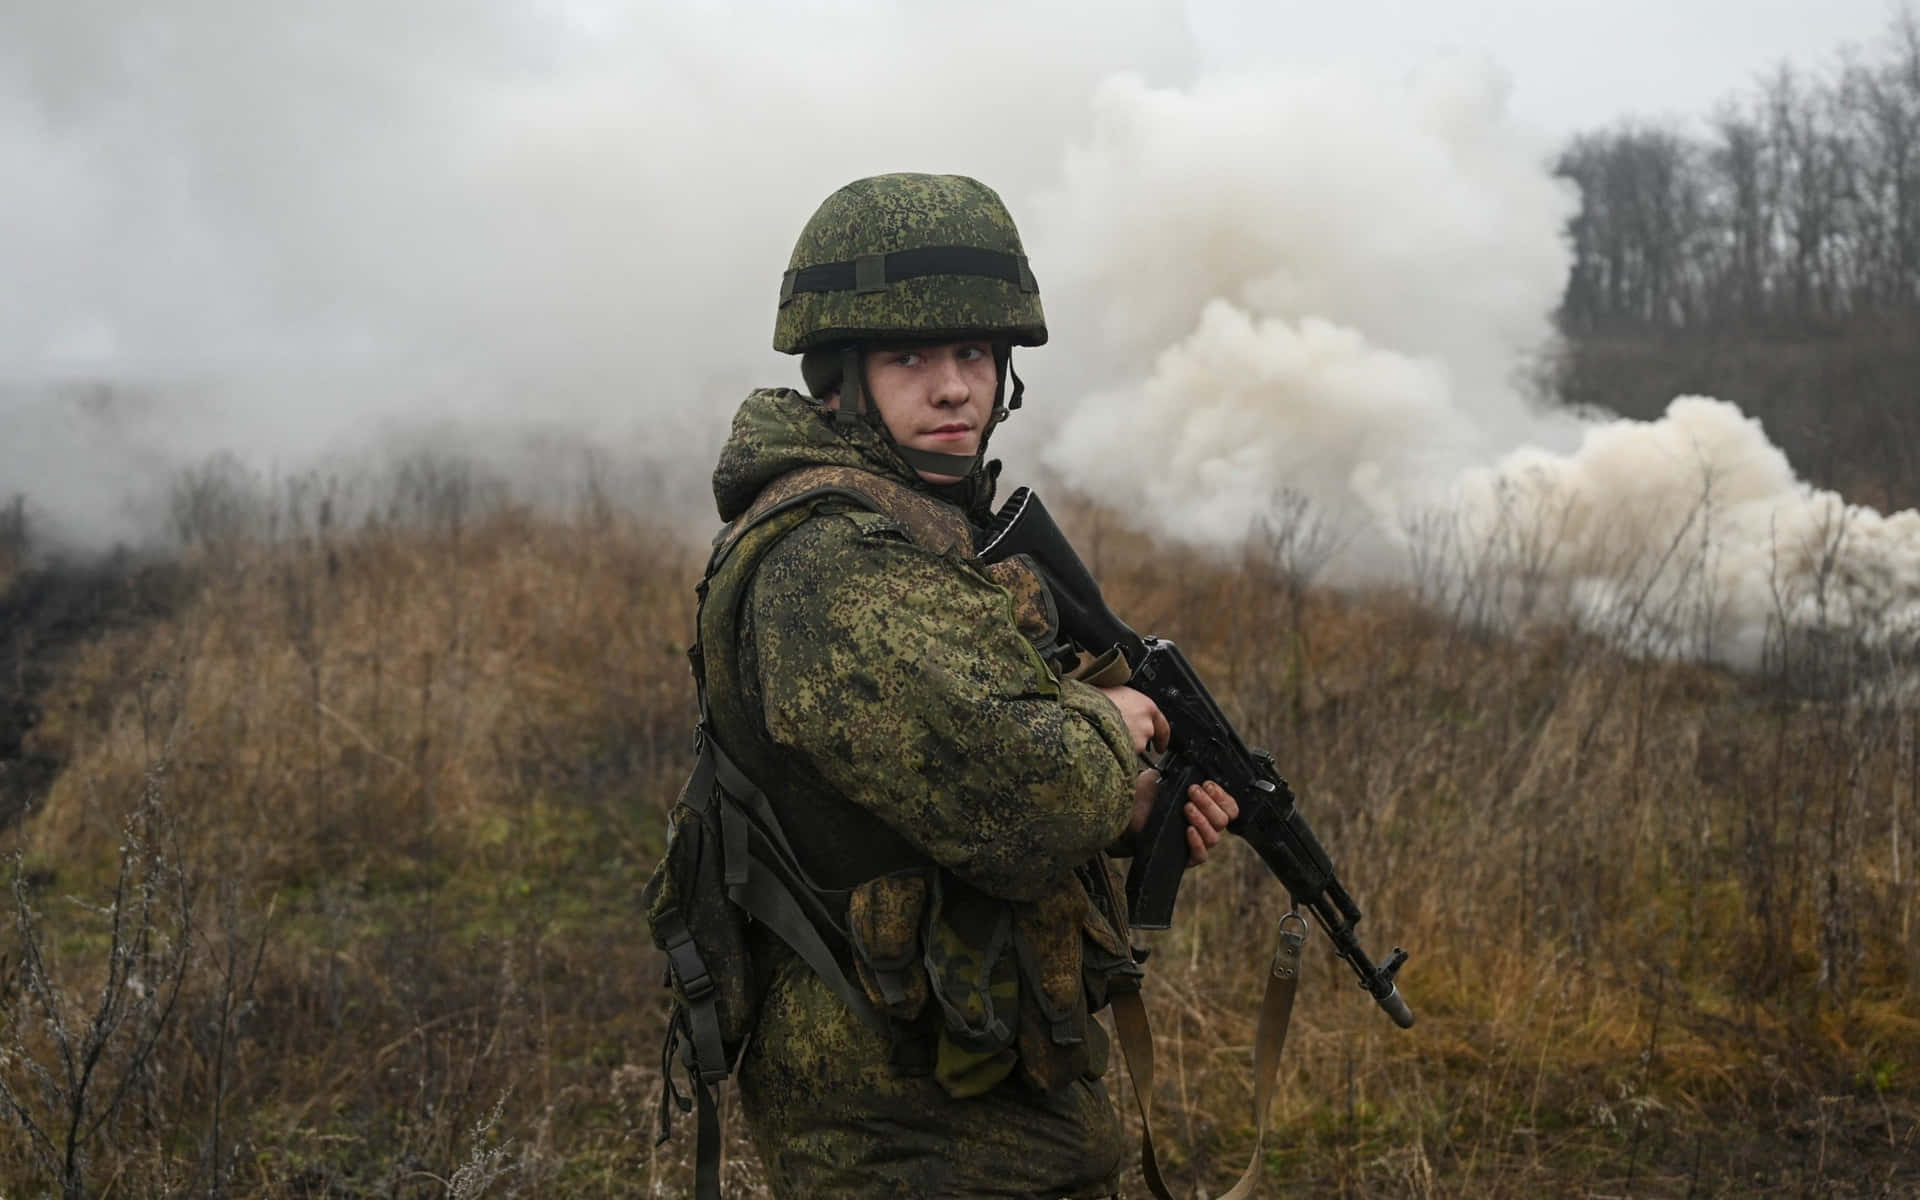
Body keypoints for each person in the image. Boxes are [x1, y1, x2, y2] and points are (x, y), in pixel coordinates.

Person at [698, 172, 1238, 1197]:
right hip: (903, 1126)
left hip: (978, 1086)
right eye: (911, 357)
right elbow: (1033, 793)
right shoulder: (835, 563)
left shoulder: (916, 528)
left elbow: (935, 790)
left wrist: (1130, 812)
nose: (954, 386)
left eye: (974, 355)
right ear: (837, 378)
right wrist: (1110, 725)